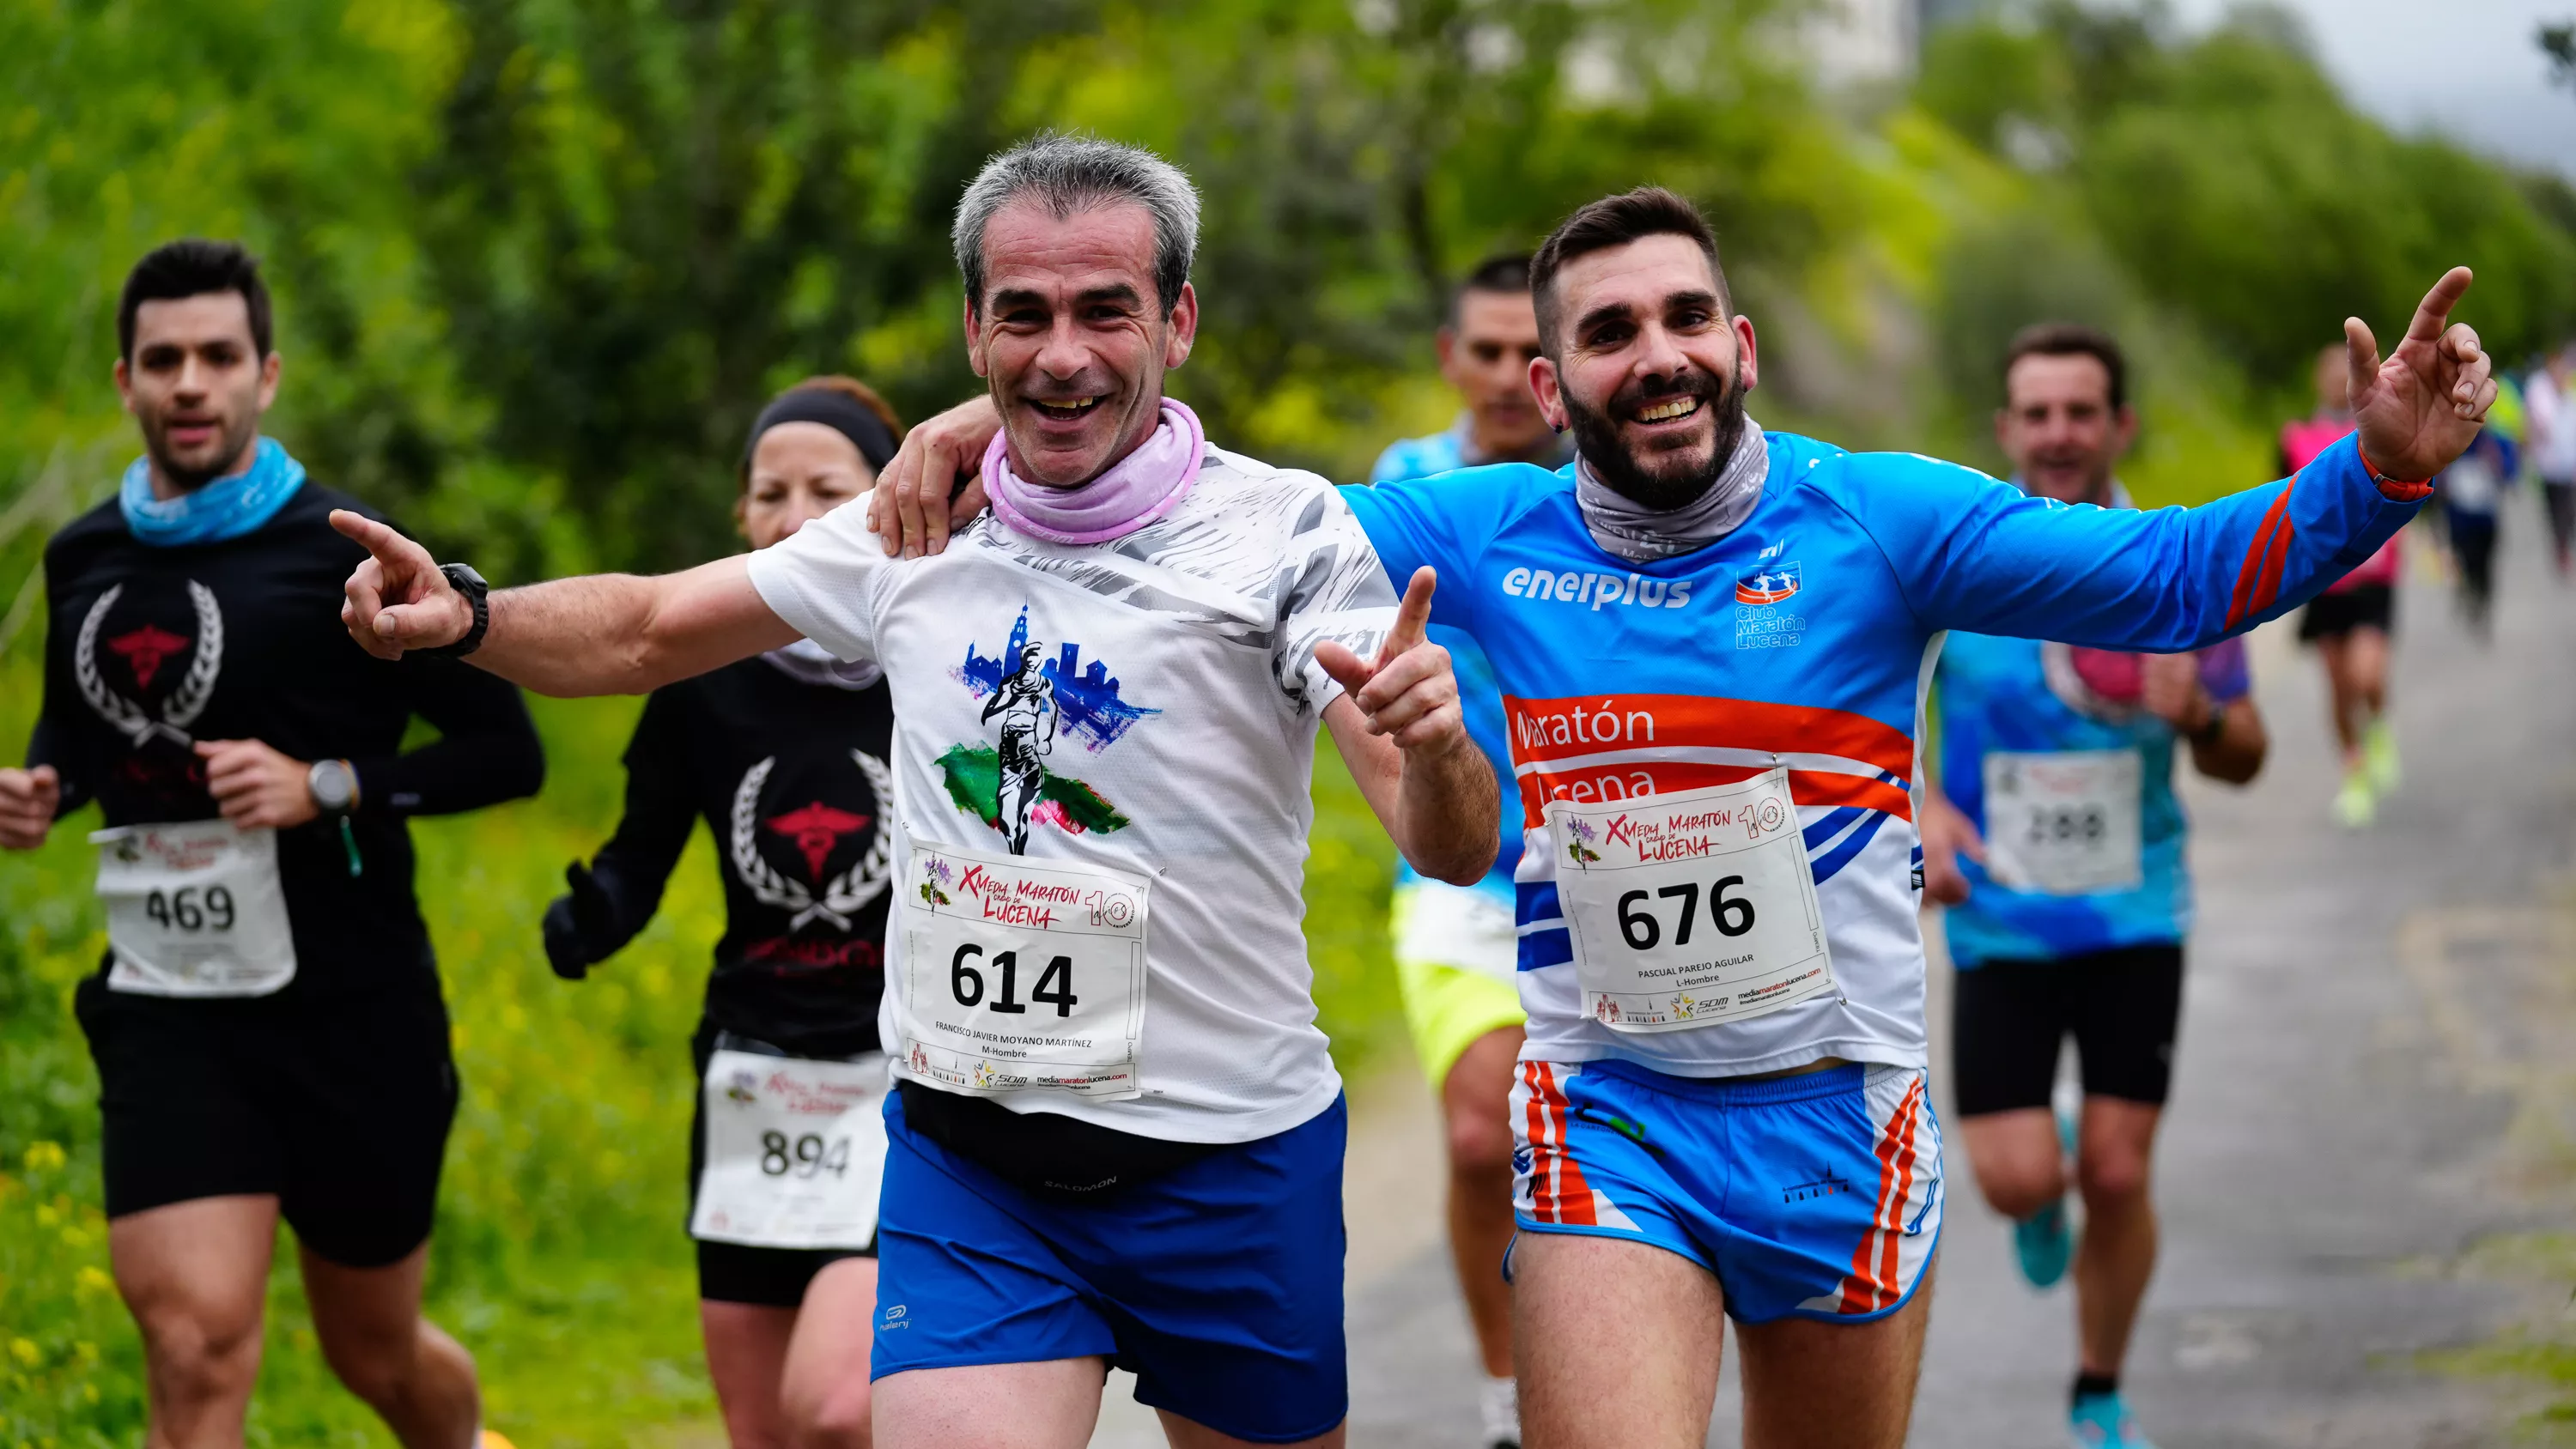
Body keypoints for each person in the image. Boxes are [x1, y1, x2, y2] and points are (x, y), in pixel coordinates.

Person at [868, 186, 2490, 1449]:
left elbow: (2174, 575)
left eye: (1687, 316)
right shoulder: (1479, 526)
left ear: (1742, 343)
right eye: (1612, 330)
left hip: (1842, 1112)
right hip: (1609, 1112)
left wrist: (2380, 472)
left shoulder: (1882, 516)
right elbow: (1199, 513)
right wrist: (1009, 437)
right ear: (1548, 378)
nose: (1658, 353)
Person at [331, 136, 1500, 1449]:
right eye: (1025, 314)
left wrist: (1445, 746)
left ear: (1177, 321)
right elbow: (650, 629)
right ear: (973, 329)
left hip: (1229, 1164)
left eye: (1106, 308)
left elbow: (1446, 846)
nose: (1063, 354)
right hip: (975, 1171)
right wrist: (467, 613)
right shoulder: (910, 529)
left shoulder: (1285, 533)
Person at [0, 240, 542, 1449]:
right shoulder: (85, 557)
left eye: (217, 357)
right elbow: (81, 736)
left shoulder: (347, 550)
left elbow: (508, 756)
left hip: (354, 1012)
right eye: (163, 359)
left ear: (267, 375)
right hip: (171, 1006)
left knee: (376, 1354)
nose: (190, 381)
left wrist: (328, 784)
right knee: (192, 1342)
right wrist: (42, 788)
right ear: (126, 382)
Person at [1917, 324, 2267, 1449]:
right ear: (2007, 429)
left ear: (2120, 425)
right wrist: (1918, 803)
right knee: (2022, 1181)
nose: (2060, 433)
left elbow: (2248, 752)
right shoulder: (1950, 563)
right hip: (1999, 924)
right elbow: (1863, 712)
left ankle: (2098, 1390)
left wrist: (2201, 714)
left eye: (2082, 412)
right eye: (2038, 413)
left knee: (2119, 1173)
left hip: (2134, 914)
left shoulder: (2177, 565)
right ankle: (2039, 1189)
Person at [538, 378, 906, 1449]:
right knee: (765, 1434)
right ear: (742, 517)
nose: (794, 517)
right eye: (768, 492)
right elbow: (641, 850)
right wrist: (597, 913)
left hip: (898, 1082)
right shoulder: (702, 679)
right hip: (750, 1079)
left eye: (826, 490)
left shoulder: (935, 659)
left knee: (835, 1412)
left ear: (889, 499)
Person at [1365, 253, 1572, 1449]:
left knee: (1586, 1144)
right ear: (1451, 359)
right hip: (1464, 880)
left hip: (1614, 879)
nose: (1502, 377)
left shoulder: (1612, 487)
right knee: (1480, 1132)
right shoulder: (1405, 487)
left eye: (1522, 355)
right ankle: (1508, 1395)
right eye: (1481, 352)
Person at [2281, 343, 2402, 827]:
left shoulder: (2382, 428)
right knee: (2336, 687)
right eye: (2330, 374)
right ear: (2318, 382)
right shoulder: (2295, 437)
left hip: (2374, 578)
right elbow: (2278, 506)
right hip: (2323, 582)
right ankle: (2353, 774)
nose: (2338, 382)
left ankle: (2376, 726)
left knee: (2366, 676)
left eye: (2346, 373)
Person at [2525, 345, 2576, 578]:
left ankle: (2563, 545)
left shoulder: (2569, 389)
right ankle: (2560, 544)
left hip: (2568, 465)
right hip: (2548, 465)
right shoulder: (2540, 389)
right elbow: (2541, 423)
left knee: (2567, 508)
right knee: (2554, 510)